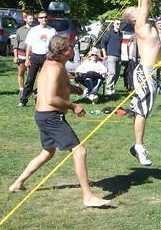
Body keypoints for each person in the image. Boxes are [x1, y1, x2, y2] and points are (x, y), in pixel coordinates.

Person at [8, 36, 110, 208]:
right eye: (70, 47)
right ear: (63, 52)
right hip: (51, 116)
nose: (73, 49)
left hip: (43, 116)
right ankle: (88, 197)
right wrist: (73, 106)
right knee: (80, 151)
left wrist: (71, 88)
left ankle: (18, 183)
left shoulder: (53, 64)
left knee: (47, 152)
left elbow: (53, 85)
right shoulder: (55, 68)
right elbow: (51, 98)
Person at [122, 0, 161, 166]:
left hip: (151, 71)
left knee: (144, 110)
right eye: (135, 10)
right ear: (134, 19)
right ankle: (138, 147)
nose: (140, 7)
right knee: (143, 111)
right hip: (144, 72)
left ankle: (137, 145)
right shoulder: (140, 24)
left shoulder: (147, 23)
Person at [18, 11, 57, 107]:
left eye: (45, 17)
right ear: (38, 19)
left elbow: (55, 45)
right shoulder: (34, 30)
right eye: (42, 17)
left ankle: (45, 99)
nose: (44, 19)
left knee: (47, 80)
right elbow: (29, 45)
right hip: (35, 56)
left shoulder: (52, 30)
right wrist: (27, 58)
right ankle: (23, 100)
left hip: (47, 57)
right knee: (30, 79)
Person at [100, 19, 123, 96]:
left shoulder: (120, 34)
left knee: (117, 74)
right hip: (111, 55)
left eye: (119, 24)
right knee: (112, 73)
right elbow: (102, 43)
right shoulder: (109, 33)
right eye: (117, 24)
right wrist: (104, 54)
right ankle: (108, 89)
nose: (118, 25)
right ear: (113, 24)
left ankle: (112, 89)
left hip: (118, 56)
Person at [14, 12, 35, 97]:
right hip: (21, 53)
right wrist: (15, 56)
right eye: (30, 19)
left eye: (32, 19)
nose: (31, 20)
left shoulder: (35, 30)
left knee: (31, 74)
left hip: (32, 54)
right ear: (25, 19)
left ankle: (29, 89)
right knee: (21, 72)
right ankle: (21, 89)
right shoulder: (20, 30)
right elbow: (15, 45)